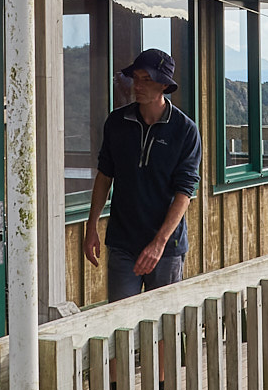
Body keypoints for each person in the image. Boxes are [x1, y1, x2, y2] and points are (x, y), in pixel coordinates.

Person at [81, 47, 203, 301]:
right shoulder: (116, 122)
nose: (137, 85)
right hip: (122, 243)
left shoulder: (185, 130)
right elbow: (105, 176)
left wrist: (159, 244)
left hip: (166, 248)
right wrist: (91, 225)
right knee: (122, 324)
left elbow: (185, 192)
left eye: (146, 79)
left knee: (164, 327)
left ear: (164, 85)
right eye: (135, 78)